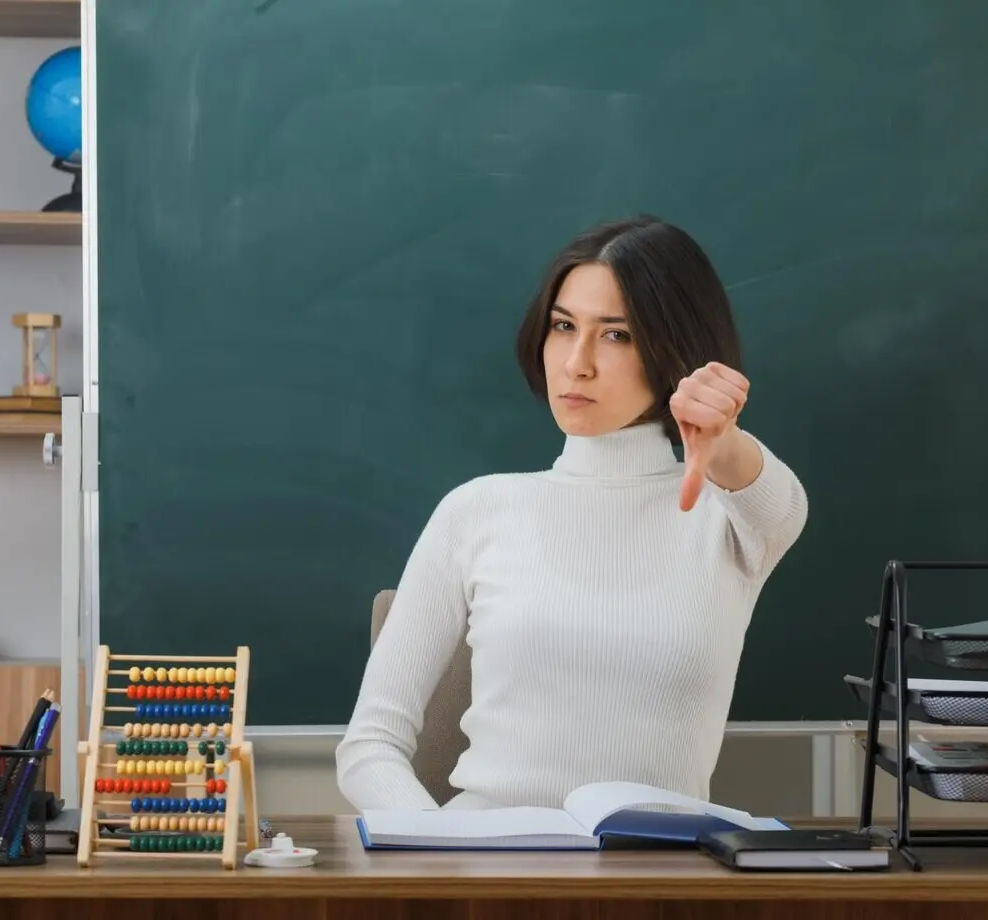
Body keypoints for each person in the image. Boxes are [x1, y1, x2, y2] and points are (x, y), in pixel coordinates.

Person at [335, 215, 809, 812]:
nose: (575, 363)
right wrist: (446, 852)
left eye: (617, 335)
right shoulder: (478, 509)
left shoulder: (731, 517)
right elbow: (369, 746)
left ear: (676, 349)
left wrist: (722, 436)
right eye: (563, 326)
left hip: (663, 882)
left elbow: (781, 502)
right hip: (486, 873)